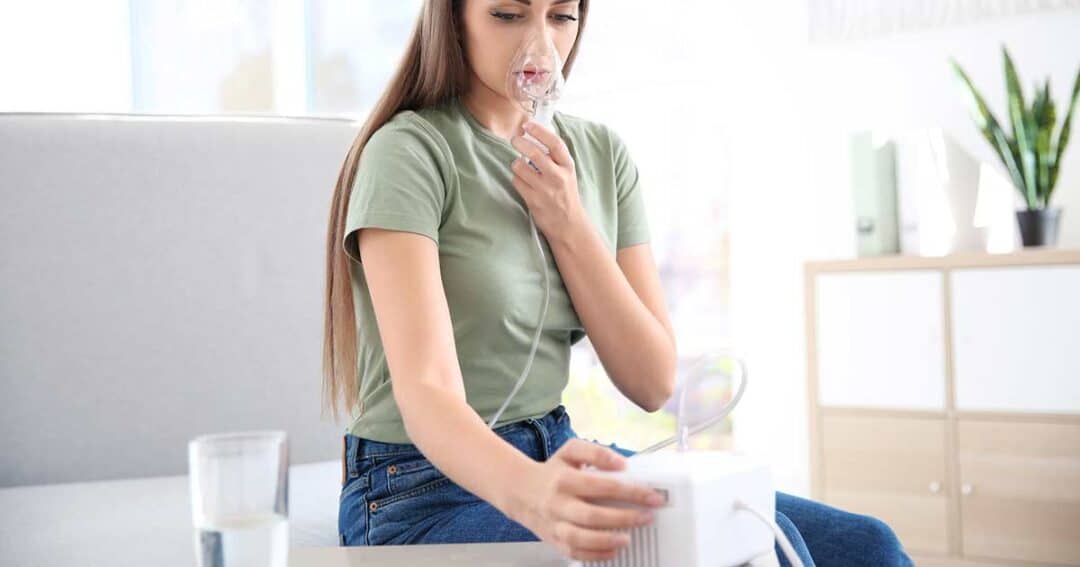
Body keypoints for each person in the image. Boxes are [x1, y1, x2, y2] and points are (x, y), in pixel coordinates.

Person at [323, 1, 914, 565]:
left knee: (867, 547)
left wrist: (568, 219)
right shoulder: (409, 152)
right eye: (507, 14)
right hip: (418, 489)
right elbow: (426, 393)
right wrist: (536, 494)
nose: (540, 42)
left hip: (556, 450)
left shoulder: (600, 154)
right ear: (453, 17)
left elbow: (651, 380)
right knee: (736, 549)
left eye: (562, 16)